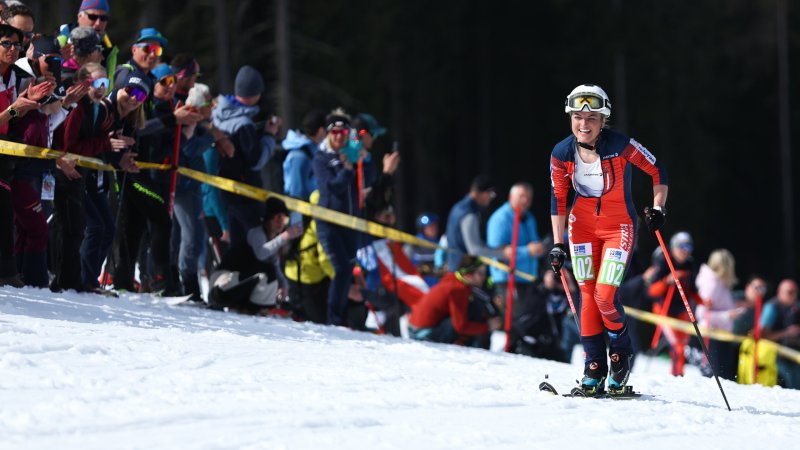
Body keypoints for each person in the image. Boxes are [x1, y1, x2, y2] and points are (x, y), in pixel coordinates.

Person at [548, 83, 668, 395]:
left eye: (591, 118)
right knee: (586, 295)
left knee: (604, 295)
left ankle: (621, 353)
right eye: (577, 117)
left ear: (604, 121)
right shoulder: (561, 153)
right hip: (581, 228)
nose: (583, 124)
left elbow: (657, 170)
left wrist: (658, 208)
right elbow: (558, 199)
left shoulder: (621, 145)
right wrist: (557, 243)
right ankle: (593, 365)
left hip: (620, 228)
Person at [212, 65, 281, 246]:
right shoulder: (244, 124)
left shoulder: (218, 113)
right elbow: (256, 161)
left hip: (223, 190)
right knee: (253, 242)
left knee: (235, 242)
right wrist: (269, 136)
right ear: (255, 93)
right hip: (245, 193)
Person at [313, 109, 370, 326]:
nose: (339, 136)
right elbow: (331, 188)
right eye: (334, 132)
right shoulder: (321, 157)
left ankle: (345, 318)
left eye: (343, 131)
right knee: (342, 269)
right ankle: (334, 319)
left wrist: (363, 159)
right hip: (329, 223)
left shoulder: (350, 152)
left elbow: (367, 179)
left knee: (349, 270)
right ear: (328, 133)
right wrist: (347, 169)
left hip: (350, 222)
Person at [210, 197, 302, 313]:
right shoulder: (256, 233)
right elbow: (261, 254)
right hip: (221, 285)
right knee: (266, 272)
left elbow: (275, 265)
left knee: (271, 276)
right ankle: (254, 308)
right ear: (268, 218)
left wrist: (284, 285)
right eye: (277, 217)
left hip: (236, 285)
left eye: (283, 218)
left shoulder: (273, 239)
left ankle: (253, 308)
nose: (280, 222)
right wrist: (284, 237)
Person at [487, 182, 546, 352]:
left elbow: (533, 244)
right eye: (522, 196)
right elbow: (498, 251)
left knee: (529, 319)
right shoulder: (500, 219)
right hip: (508, 278)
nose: (526, 200)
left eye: (528, 197)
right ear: (511, 197)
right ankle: (513, 351)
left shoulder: (529, 218)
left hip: (528, 278)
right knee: (516, 322)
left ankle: (523, 350)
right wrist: (527, 251)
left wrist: (539, 248)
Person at [408, 255, 501, 346]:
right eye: (480, 273)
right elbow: (460, 326)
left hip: (415, 329)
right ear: (468, 275)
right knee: (473, 312)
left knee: (473, 309)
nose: (484, 277)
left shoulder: (454, 278)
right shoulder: (458, 289)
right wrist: (488, 327)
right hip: (422, 334)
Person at [645, 231, 700, 376]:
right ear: (674, 247)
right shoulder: (664, 261)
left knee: (683, 345)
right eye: (682, 247)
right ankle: (676, 375)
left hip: (681, 310)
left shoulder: (690, 264)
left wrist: (704, 302)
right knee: (677, 346)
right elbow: (651, 291)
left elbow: (693, 290)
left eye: (689, 247)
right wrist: (667, 281)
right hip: (663, 310)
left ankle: (678, 375)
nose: (685, 251)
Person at [283, 190, 333, 324]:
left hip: (291, 271)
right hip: (310, 278)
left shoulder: (301, 216)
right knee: (318, 322)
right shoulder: (321, 225)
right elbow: (324, 259)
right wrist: (339, 279)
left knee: (297, 317)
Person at [695, 249, 744, 380]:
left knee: (725, 377)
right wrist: (728, 315)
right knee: (718, 378)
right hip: (712, 336)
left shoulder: (718, 282)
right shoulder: (712, 285)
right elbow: (701, 313)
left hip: (720, 336)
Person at [445, 174, 510, 272]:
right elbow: (474, 250)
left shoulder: (459, 207)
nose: (491, 198)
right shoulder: (469, 214)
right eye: (491, 194)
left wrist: (497, 250)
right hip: (462, 273)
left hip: (455, 268)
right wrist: (503, 253)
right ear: (483, 193)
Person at [760, 278, 800, 389]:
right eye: (790, 292)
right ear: (780, 292)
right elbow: (763, 335)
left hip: (793, 354)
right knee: (792, 380)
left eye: (796, 292)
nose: (794, 295)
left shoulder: (795, 307)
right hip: (775, 357)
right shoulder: (771, 308)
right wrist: (786, 333)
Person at [282, 109, 326, 201]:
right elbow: (295, 192)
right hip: (299, 210)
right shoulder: (299, 155)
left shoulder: (311, 151)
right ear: (321, 130)